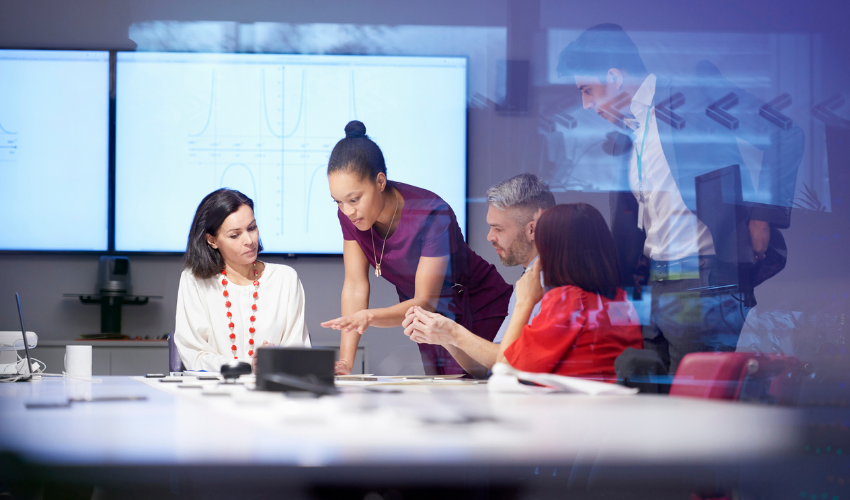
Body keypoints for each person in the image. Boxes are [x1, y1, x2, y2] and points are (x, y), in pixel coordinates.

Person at [557, 24, 803, 373]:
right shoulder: (628, 134)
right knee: (650, 402)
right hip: (653, 285)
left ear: (613, 76)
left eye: (587, 90)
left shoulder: (693, 94)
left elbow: (785, 133)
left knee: (692, 405)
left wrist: (762, 214)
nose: (586, 104)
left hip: (702, 280)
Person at [321, 120, 512, 376]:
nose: (347, 211)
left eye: (354, 199)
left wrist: (368, 317)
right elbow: (355, 286)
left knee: (490, 390)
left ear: (380, 181)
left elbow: (425, 301)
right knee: (445, 400)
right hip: (424, 318)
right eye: (338, 201)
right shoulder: (349, 214)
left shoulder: (430, 212)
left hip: (477, 306)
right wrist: (345, 361)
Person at [402, 173, 555, 378]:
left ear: (532, 230)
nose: (490, 236)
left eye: (498, 229)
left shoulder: (552, 283)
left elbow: (508, 363)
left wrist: (454, 332)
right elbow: (489, 367)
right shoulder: (527, 281)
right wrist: (445, 336)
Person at [494, 203, 643, 380]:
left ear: (554, 255)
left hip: (570, 406)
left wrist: (524, 302)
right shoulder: (621, 301)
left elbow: (503, 371)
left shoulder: (569, 302)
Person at [174, 188, 310, 372]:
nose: (249, 240)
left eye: (252, 228)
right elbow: (194, 355)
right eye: (234, 235)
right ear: (212, 240)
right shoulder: (194, 281)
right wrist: (247, 366)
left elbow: (298, 351)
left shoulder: (285, 279)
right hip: (213, 395)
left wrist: (278, 358)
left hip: (272, 394)